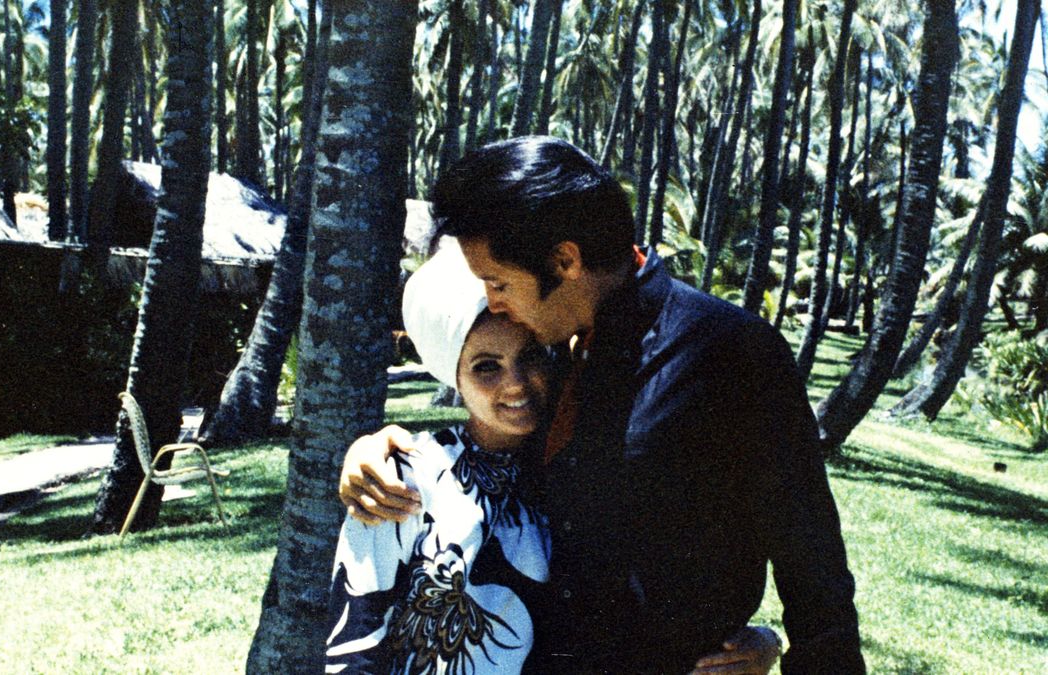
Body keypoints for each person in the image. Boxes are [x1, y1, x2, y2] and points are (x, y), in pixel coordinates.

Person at [340, 137, 865, 673]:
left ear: (565, 260)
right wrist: (378, 450)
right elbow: (490, 462)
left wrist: (774, 645)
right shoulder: (553, 353)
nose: (492, 302)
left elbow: (812, 561)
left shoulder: (730, 351)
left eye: (498, 283)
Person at [326, 240, 781, 674]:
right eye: (487, 367)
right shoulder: (403, 476)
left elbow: (670, 576)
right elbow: (353, 644)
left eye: (530, 356)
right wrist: (366, 447)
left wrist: (758, 641)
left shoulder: (578, 464)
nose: (516, 383)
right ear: (453, 376)